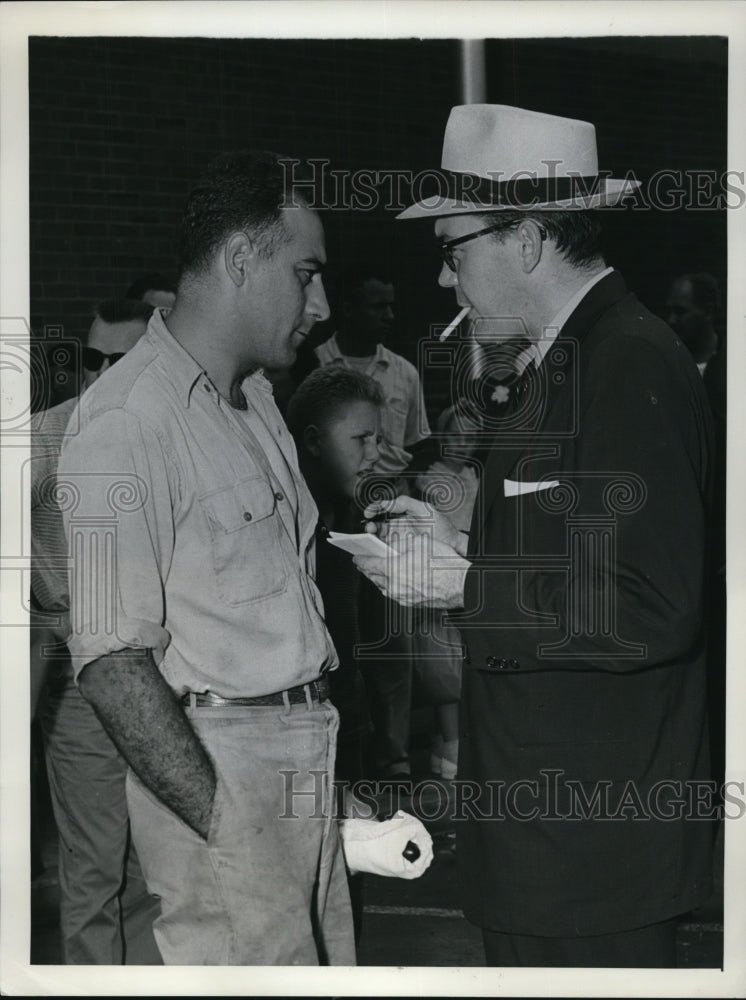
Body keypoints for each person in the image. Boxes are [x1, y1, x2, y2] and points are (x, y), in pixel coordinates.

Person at [354, 104, 715, 968]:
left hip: (594, 859)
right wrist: (465, 533)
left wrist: (462, 587)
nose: (446, 280)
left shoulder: (625, 363)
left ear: (525, 239)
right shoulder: (560, 364)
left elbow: (653, 607)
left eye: (454, 250)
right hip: (549, 843)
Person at [57, 151, 431, 966]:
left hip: (301, 759)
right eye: (306, 275)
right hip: (224, 776)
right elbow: (111, 663)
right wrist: (226, 823)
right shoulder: (122, 424)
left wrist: (323, 786)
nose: (322, 306)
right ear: (238, 260)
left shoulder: (256, 400)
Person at [31, 297, 161, 964]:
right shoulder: (41, 437)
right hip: (80, 677)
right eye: (91, 359)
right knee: (93, 867)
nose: (100, 373)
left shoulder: (168, 439)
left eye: (120, 361)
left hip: (162, 677)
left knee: (151, 870)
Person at [315, 267, 432, 783]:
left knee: (392, 647)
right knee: (340, 635)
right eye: (375, 305)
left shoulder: (403, 372)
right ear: (348, 307)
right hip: (336, 521)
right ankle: (347, 758)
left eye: (391, 306)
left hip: (389, 520)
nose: (387, 316)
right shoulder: (317, 365)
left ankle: (394, 759)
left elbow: (421, 446)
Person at [286, 365, 384, 944]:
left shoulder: (353, 514)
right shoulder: (287, 521)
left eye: (379, 438)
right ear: (314, 442)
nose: (376, 453)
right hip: (297, 734)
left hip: (349, 726)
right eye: (361, 440)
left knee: (353, 885)